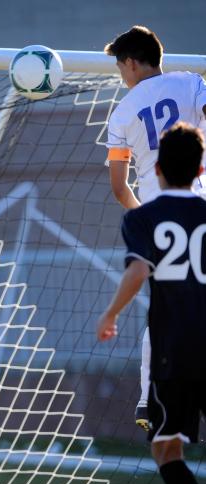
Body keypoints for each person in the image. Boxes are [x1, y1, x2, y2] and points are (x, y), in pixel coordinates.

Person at [97, 122, 206, 484]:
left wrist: (110, 313)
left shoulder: (141, 217)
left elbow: (139, 269)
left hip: (174, 350)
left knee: (166, 447)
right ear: (201, 169)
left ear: (157, 170)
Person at [104, 25, 206, 431]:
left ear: (131, 62)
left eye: (120, 69)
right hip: (200, 206)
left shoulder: (123, 112)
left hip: (160, 218)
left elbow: (117, 187)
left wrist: (143, 214)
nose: (122, 77)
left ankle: (148, 399)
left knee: (165, 303)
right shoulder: (193, 83)